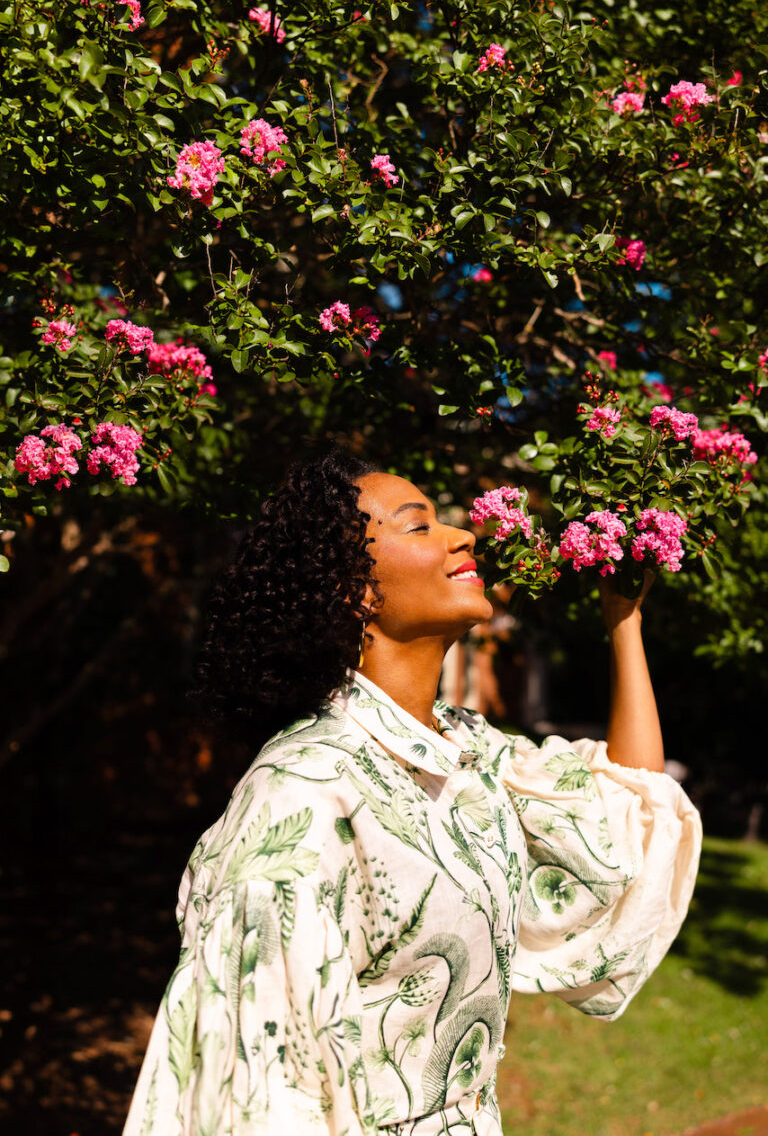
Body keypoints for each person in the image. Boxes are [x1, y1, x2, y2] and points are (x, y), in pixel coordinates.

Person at [123, 450, 701, 1136]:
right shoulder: (302, 795)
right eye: (420, 526)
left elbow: (620, 817)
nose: (464, 536)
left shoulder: (467, 753)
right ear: (356, 591)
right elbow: (261, 1087)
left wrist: (623, 621)